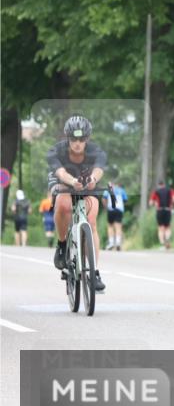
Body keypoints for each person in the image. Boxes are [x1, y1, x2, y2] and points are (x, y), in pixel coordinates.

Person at [47, 115, 107, 292]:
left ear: (87, 138)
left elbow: (99, 169)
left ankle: (94, 272)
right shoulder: (56, 150)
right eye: (74, 139)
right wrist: (73, 182)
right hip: (65, 183)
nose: (78, 143)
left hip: (87, 185)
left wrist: (93, 179)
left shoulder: (96, 151)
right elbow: (60, 173)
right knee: (63, 204)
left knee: (92, 220)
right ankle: (62, 244)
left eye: (82, 139)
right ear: (68, 137)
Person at [149, 180, 174, 249]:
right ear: (164, 184)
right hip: (168, 210)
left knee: (160, 228)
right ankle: (167, 239)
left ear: (158, 185)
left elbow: (150, 203)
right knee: (167, 227)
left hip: (159, 210)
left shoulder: (156, 191)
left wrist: (155, 204)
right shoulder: (170, 190)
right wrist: (171, 204)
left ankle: (162, 244)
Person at [103, 182, 127, 251]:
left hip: (111, 209)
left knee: (110, 226)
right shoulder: (121, 190)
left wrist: (105, 207)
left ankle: (111, 243)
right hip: (119, 209)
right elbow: (125, 200)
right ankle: (118, 242)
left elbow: (104, 199)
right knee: (118, 226)